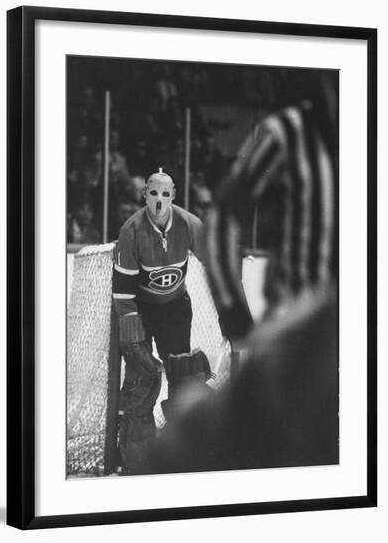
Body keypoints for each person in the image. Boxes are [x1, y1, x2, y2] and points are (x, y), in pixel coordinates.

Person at [133, 73, 339, 475]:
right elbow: (223, 225)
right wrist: (240, 324)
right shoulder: (293, 134)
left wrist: (239, 324)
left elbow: (223, 224)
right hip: (303, 326)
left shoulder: (295, 134)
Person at [112, 168, 211, 472]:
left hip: (175, 309)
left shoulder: (189, 224)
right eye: (153, 193)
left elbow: (218, 264)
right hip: (142, 308)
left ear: (174, 196)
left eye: (165, 194)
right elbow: (123, 292)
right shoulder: (131, 231)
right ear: (144, 194)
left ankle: (183, 446)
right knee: (141, 377)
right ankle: (135, 454)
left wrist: (232, 315)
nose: (159, 199)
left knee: (182, 372)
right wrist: (131, 337)